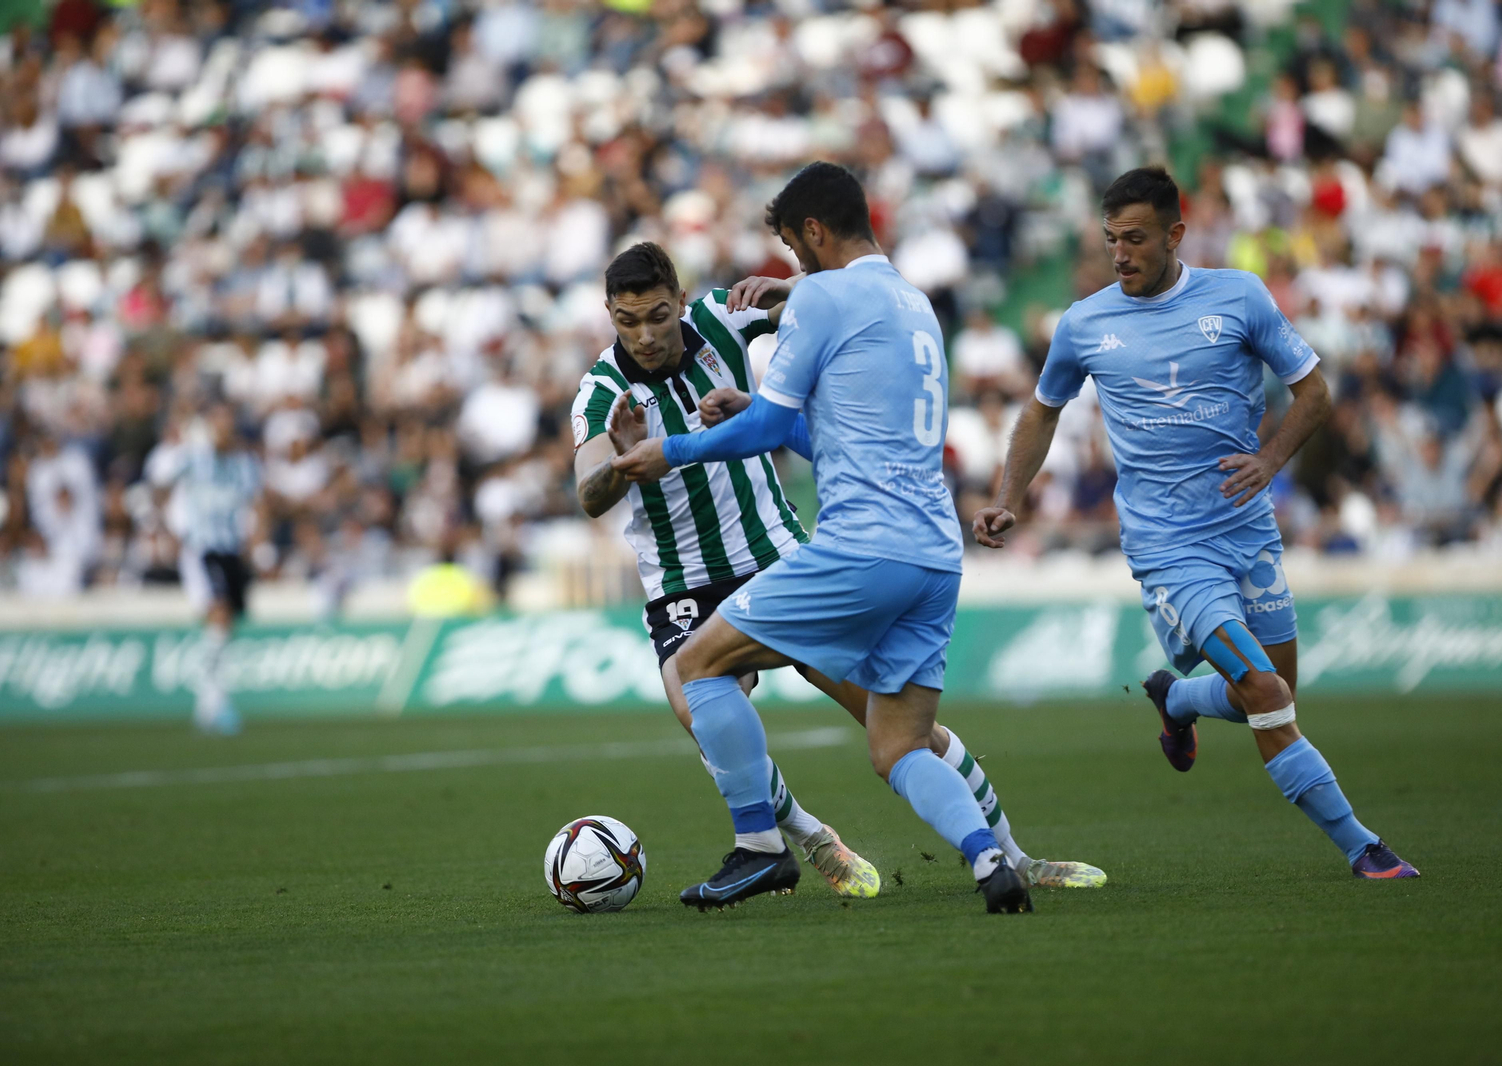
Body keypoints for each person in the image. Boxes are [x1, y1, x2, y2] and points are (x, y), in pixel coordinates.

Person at [575, 241, 1102, 902]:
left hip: (778, 558)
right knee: (700, 704)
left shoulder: (720, 318)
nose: (646, 335)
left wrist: (788, 285)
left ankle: (1014, 857)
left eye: (657, 315)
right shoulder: (600, 390)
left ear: (680, 301)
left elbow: (843, 298)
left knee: (896, 723)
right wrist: (618, 465)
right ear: (609, 315)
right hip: (682, 586)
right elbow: (587, 493)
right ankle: (804, 837)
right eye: (628, 322)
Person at [972, 167, 1419, 880]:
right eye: (1112, 239)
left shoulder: (1238, 296)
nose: (1121, 254)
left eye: (1137, 238)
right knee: (1267, 694)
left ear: (1176, 234)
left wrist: (1271, 459)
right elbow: (1042, 410)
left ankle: (1176, 698)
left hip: (1247, 529)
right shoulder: (1085, 322)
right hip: (1167, 544)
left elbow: (1314, 391)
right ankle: (1363, 848)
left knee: (1269, 694)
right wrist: (1009, 495)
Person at [177, 403, 262, 735]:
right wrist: (171, 528)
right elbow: (158, 484)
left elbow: (257, 504)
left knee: (227, 624)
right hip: (202, 548)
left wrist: (258, 543)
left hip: (231, 549)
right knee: (220, 613)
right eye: (218, 424)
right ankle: (214, 702)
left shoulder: (245, 465)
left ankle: (206, 703)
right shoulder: (193, 459)